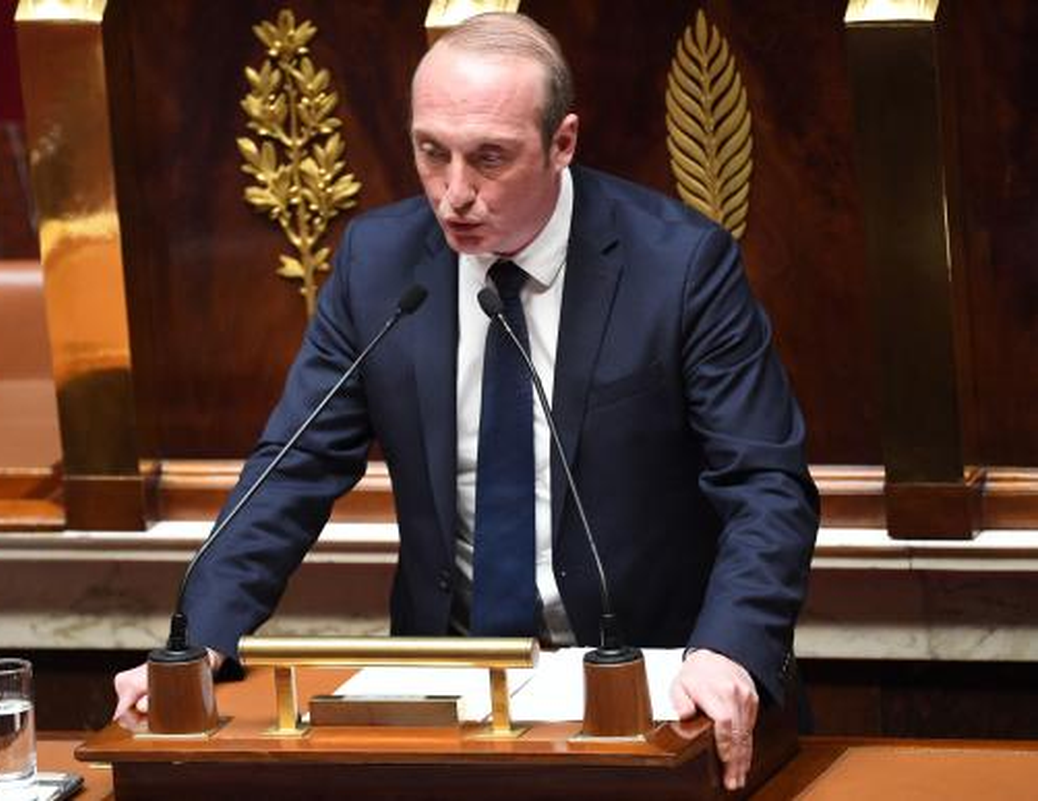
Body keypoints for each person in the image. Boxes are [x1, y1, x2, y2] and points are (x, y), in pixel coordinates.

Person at [115, 12, 817, 791]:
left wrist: (728, 647)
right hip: (449, 690)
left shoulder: (680, 266)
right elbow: (295, 463)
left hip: (657, 684)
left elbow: (766, 484)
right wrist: (199, 638)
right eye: (430, 152)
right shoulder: (379, 265)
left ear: (563, 143)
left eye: (489, 158)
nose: (454, 193)